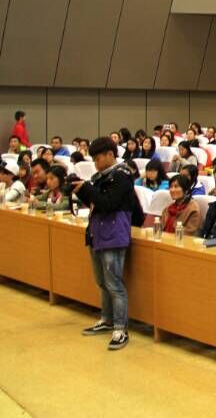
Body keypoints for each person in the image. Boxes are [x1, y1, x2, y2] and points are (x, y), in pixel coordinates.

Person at [72, 137, 141, 351]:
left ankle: (121, 329)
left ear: (110, 155)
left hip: (114, 235)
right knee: (101, 281)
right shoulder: (100, 178)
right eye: (93, 159)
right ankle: (107, 319)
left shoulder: (122, 176)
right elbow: (95, 205)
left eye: (98, 158)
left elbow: (108, 204)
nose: (95, 162)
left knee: (115, 284)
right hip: (97, 233)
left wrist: (87, 188)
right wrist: (81, 191)